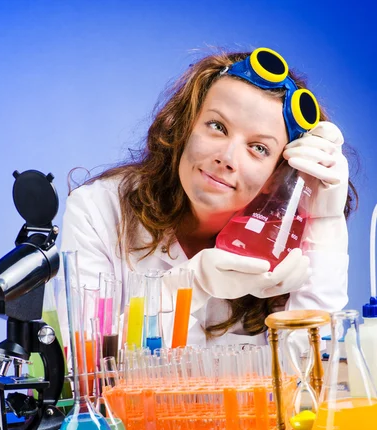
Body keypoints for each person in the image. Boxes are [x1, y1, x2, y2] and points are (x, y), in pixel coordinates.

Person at [60, 46, 356, 349]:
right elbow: (88, 362)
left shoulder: (286, 238)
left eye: (258, 148)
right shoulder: (98, 210)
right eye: (217, 127)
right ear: (185, 125)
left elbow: (312, 370)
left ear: (278, 174)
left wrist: (325, 222)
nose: (227, 157)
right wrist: (191, 284)